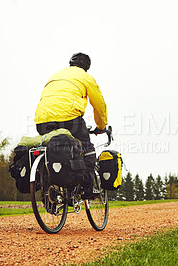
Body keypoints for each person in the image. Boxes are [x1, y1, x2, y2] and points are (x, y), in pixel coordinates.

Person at [34, 52, 108, 199]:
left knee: (54, 149)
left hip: (42, 119)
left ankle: (48, 192)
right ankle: (87, 189)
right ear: (87, 67)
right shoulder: (86, 77)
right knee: (87, 149)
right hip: (69, 118)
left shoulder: (55, 76)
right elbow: (99, 105)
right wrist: (101, 126)